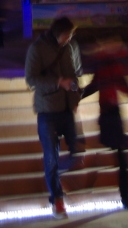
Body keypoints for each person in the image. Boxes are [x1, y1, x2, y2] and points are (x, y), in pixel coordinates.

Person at [24, 16, 84, 219]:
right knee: (51, 156)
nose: (70, 38)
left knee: (77, 152)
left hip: (67, 108)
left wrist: (75, 95)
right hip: (48, 110)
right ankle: (57, 198)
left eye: (72, 35)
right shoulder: (37, 49)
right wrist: (59, 82)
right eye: (67, 35)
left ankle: (56, 178)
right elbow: (31, 79)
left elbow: (75, 74)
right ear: (57, 33)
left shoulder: (70, 47)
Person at [84, 37, 128, 210]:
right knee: (123, 158)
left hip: (110, 114)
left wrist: (77, 96)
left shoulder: (105, 63)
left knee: (122, 157)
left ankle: (125, 197)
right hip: (111, 115)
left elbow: (101, 83)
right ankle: (125, 197)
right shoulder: (109, 63)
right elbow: (114, 81)